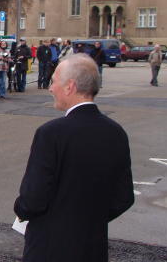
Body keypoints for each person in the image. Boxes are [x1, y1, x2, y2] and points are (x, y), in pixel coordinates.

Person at [14, 54, 134, 262]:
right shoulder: (116, 133)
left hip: (49, 247)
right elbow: (123, 197)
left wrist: (21, 210)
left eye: (53, 82)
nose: (51, 88)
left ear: (69, 87)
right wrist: (90, 219)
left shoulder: (51, 133)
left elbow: (32, 198)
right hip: (92, 246)